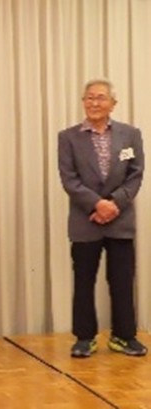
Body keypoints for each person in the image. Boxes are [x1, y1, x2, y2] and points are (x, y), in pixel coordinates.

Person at [58, 79, 147, 358]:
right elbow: (69, 179)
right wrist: (97, 204)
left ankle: (124, 336)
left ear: (113, 104)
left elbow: (136, 174)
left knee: (122, 280)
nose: (94, 103)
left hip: (121, 220)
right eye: (89, 97)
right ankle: (85, 338)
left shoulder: (130, 134)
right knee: (84, 281)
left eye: (100, 98)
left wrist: (114, 204)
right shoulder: (68, 137)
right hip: (86, 221)